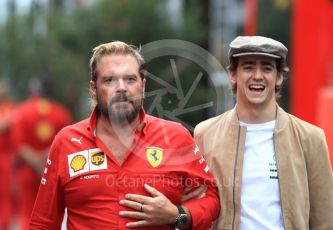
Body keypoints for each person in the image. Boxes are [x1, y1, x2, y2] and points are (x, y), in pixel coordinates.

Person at [29, 41, 220, 229]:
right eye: (109, 80)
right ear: (93, 89)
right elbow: (43, 222)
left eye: (130, 79)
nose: (121, 88)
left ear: (143, 86)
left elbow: (212, 199)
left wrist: (176, 215)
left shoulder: (176, 137)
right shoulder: (67, 142)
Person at [194, 36, 333, 229]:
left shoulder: (311, 138)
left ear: (279, 76)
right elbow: (194, 208)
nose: (257, 75)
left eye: (267, 68)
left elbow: (325, 222)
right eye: (248, 67)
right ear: (232, 74)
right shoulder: (205, 134)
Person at [11, 78, 72, 230]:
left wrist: (36, 163)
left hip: (27, 171)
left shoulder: (21, 111)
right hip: (53, 171)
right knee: (52, 215)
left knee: (27, 213)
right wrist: (44, 162)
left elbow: (19, 145)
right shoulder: (61, 112)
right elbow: (66, 141)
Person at [0, 80, 16, 230]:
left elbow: (5, 125)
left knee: (5, 192)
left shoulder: (9, 107)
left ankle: (5, 224)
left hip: (5, 155)